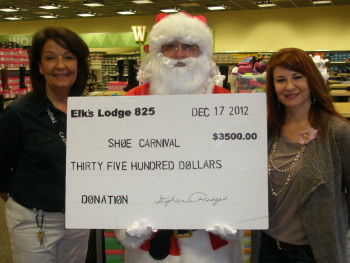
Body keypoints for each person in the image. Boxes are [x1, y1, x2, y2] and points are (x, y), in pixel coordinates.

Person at [115, 12, 242, 263]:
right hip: (149, 239)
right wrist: (124, 217)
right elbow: (116, 168)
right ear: (156, 53)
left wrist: (237, 211)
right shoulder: (132, 101)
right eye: (170, 46)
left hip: (211, 241)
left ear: (203, 53)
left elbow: (241, 166)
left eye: (189, 47)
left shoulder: (228, 103)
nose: (180, 54)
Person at [250, 48, 350, 263]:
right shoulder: (266, 130)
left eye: (297, 77)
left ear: (311, 80)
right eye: (280, 80)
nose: (289, 86)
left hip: (314, 253)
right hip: (268, 249)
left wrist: (336, 225)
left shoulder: (336, 131)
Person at [0, 27, 90, 263]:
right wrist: (28, 205)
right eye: (51, 58)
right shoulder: (19, 112)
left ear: (78, 64)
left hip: (78, 219)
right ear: (39, 66)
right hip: (33, 222)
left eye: (68, 57)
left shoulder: (91, 111)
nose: (61, 65)